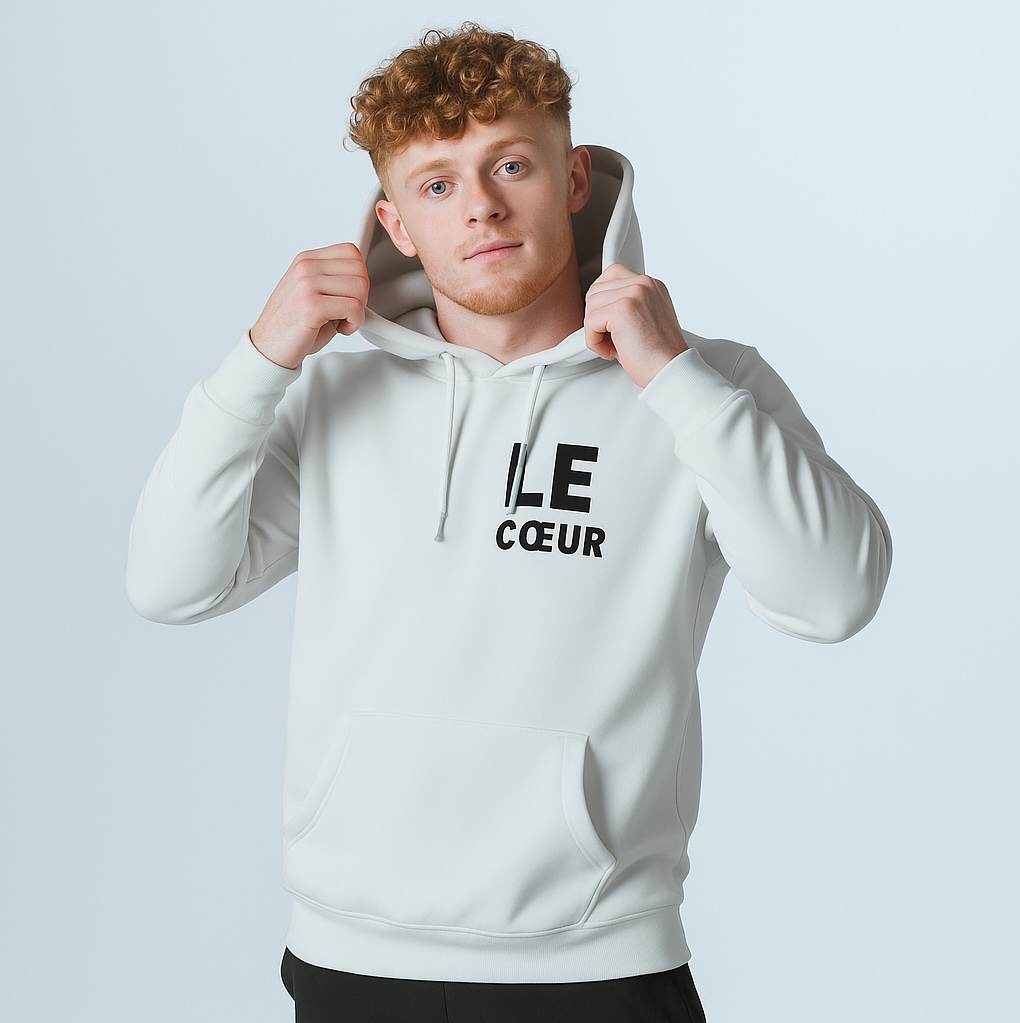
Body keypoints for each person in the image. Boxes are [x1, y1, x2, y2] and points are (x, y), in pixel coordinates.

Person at [126, 23, 892, 1023]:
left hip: (599, 964)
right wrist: (257, 363)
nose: (479, 204)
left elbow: (832, 598)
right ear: (397, 226)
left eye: (511, 165)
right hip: (351, 958)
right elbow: (169, 585)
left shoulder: (706, 389)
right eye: (437, 184)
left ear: (574, 182)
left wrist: (671, 376)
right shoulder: (329, 393)